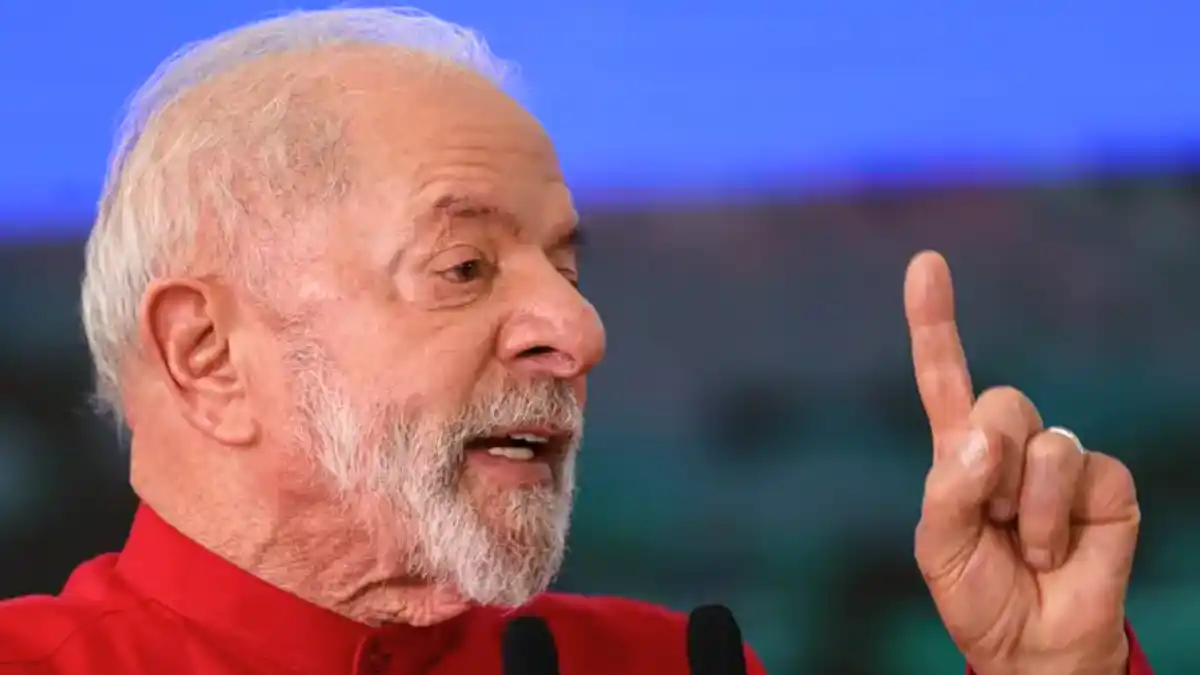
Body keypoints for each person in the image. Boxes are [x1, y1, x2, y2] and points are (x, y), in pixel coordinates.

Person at [0, 7, 1151, 675]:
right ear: (207, 354)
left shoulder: (665, 669)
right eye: (463, 267)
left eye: (568, 266)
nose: (580, 331)